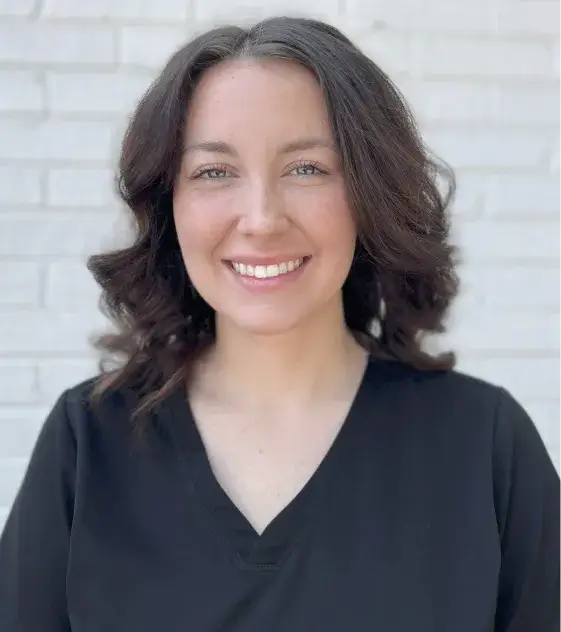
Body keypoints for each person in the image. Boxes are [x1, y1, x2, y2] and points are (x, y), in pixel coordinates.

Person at [1, 15, 560, 632]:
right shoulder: (88, 444)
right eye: (214, 172)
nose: (261, 218)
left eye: (307, 169)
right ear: (169, 205)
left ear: (370, 194)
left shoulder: (484, 445)